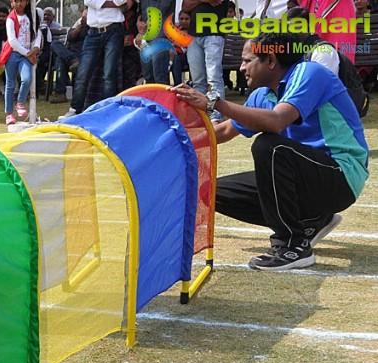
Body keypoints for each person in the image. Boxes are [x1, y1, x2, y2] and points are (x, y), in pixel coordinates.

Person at [172, 32, 368, 270]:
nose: (241, 67)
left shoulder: (310, 73)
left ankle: (292, 245)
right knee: (210, 191)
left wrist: (214, 103)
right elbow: (222, 131)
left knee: (269, 147)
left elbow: (277, 121)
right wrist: (172, 139)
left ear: (272, 60)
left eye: (247, 60)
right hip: (308, 178)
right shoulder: (262, 95)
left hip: (341, 176)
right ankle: (311, 221)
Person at [59, 0, 133, 119]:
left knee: (109, 75)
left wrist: (102, 4)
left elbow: (121, 1)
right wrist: (114, 5)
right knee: (83, 74)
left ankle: (106, 111)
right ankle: (75, 109)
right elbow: (89, 1)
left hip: (114, 30)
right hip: (93, 31)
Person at [182, 0, 227, 122]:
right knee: (198, 80)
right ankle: (199, 115)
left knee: (214, 78)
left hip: (214, 33)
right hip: (194, 35)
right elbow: (185, 6)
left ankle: (216, 115)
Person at [2, 0, 42, 125]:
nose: (19, 4)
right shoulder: (11, 19)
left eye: (22, 1)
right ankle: (9, 114)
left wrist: (35, 48)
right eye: (16, 1)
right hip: (13, 54)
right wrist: (28, 53)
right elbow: (12, 40)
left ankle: (20, 102)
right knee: (10, 84)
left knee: (27, 79)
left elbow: (37, 32)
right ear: (12, 2)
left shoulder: (32, 16)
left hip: (26, 55)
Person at [49, 8, 87, 103]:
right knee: (55, 43)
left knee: (60, 59)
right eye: (83, 16)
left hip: (84, 55)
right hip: (71, 53)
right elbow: (70, 37)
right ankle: (72, 60)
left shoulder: (94, 27)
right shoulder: (78, 25)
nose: (84, 18)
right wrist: (79, 28)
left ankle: (60, 93)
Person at [140, 0, 175, 84]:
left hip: (161, 37)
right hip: (147, 37)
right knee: (148, 76)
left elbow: (164, 5)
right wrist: (139, 20)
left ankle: (164, 97)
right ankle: (151, 97)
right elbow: (142, 10)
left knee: (160, 76)